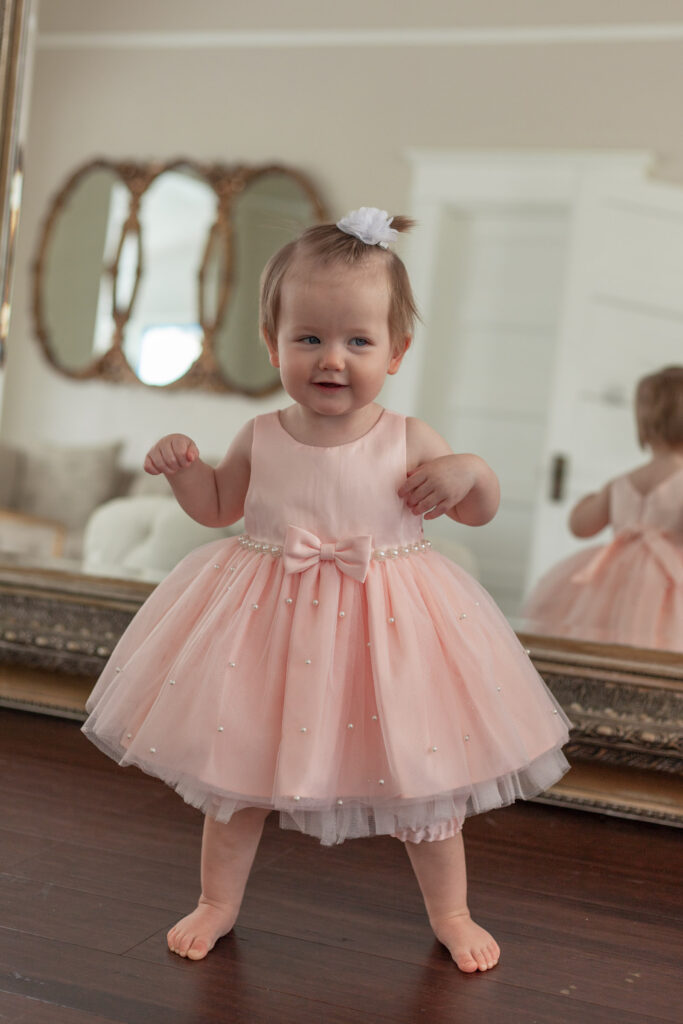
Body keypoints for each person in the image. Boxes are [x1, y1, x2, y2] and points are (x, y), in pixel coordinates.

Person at [82, 207, 571, 973]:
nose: (330, 359)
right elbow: (219, 508)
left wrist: (468, 471)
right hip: (266, 624)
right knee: (235, 774)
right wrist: (186, 472)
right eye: (307, 338)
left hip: (390, 630)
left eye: (357, 341)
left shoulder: (408, 438)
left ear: (397, 350)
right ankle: (218, 900)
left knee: (424, 781)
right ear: (272, 344)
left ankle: (452, 910)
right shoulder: (262, 435)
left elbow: (476, 510)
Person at [523, 365, 683, 651]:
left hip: (615, 582)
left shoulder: (621, 483)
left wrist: (591, 502)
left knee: (610, 644)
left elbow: (580, 526)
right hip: (669, 582)